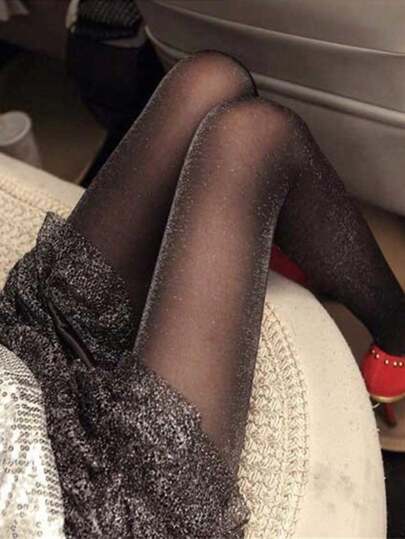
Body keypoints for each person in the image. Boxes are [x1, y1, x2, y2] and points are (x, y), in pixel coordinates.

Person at [0, 51, 403, 537]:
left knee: (209, 79)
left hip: (21, 363)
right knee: (256, 140)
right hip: (82, 509)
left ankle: (288, 242)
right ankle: (398, 331)